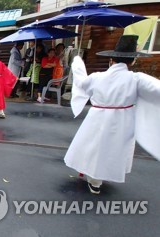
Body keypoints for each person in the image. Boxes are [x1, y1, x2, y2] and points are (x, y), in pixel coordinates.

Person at [64, 35, 160, 195]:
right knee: (113, 148)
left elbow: (81, 83)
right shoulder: (137, 79)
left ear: (111, 59)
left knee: (94, 146)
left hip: (97, 117)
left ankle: (95, 178)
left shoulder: (97, 77)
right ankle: (99, 176)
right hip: (122, 120)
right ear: (133, 61)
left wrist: (78, 65)